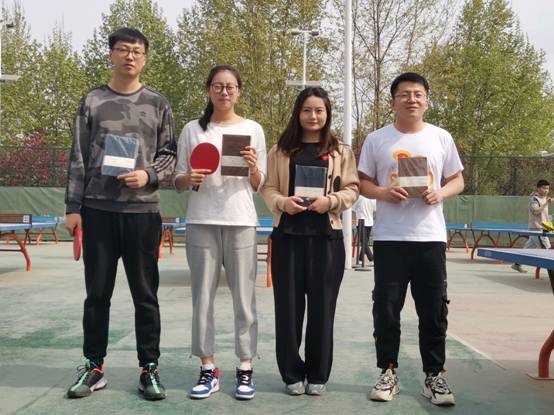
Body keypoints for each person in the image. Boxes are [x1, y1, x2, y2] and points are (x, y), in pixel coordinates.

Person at [64, 28, 176, 401]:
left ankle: (149, 368)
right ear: (110, 54)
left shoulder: (158, 103)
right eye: (123, 49)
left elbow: (169, 154)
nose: (130, 56)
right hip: (97, 210)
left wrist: (148, 175)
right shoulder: (92, 101)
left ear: (145, 58)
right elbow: (78, 156)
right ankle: (93, 366)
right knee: (97, 294)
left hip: (142, 212)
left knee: (146, 294)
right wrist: (73, 208)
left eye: (137, 51)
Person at [357, 72, 464, 406]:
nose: (412, 99)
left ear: (427, 101)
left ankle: (435, 376)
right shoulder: (377, 139)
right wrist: (383, 193)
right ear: (393, 102)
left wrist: (440, 193)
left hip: (430, 238)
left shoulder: (441, 138)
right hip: (389, 238)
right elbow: (362, 182)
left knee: (433, 309)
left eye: (418, 94)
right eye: (404, 94)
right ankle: (388, 372)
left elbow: (458, 179)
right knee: (386, 309)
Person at [174, 64, 266, 400]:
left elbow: (259, 183)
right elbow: (178, 179)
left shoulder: (253, 129)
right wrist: (190, 178)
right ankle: (207, 367)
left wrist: (253, 166)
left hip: (241, 222)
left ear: (239, 90)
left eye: (230, 86)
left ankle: (245, 367)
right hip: (201, 222)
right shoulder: (192, 130)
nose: (224, 91)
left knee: (244, 298)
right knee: (202, 298)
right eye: (217, 86)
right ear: (209, 89)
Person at [261, 87, 359, 396]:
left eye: (319, 110)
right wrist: (282, 203)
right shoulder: (280, 150)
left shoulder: (341, 151)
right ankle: (291, 374)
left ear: (327, 114)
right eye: (307, 110)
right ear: (298, 113)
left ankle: (318, 374)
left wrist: (330, 201)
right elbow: (268, 188)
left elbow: (352, 189)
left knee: (322, 309)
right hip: (288, 239)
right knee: (288, 310)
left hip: (326, 240)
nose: (313, 116)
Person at [511, 179, 551, 273]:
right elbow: (536, 211)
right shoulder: (534, 199)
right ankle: (551, 273)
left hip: (544, 228)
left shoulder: (544, 198)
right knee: (546, 249)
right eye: (544, 188)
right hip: (537, 229)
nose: (546, 190)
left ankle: (517, 264)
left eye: (548, 188)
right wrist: (546, 203)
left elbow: (545, 210)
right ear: (538, 188)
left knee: (528, 249)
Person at [352, 195, 376, 264]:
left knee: (364, 243)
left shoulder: (359, 197)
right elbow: (375, 209)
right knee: (365, 243)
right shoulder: (372, 198)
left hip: (361, 221)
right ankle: (360, 259)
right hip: (370, 222)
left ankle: (371, 259)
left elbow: (353, 209)